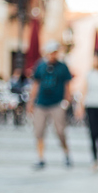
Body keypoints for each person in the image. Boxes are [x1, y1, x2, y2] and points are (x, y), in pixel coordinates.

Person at [27, 40, 73, 169]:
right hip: (41, 103)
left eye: (55, 52)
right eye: (51, 52)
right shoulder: (40, 66)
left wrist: (66, 100)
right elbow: (35, 84)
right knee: (39, 131)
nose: (53, 55)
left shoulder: (63, 67)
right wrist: (31, 102)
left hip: (57, 103)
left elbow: (67, 85)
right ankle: (40, 158)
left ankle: (66, 154)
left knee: (60, 131)